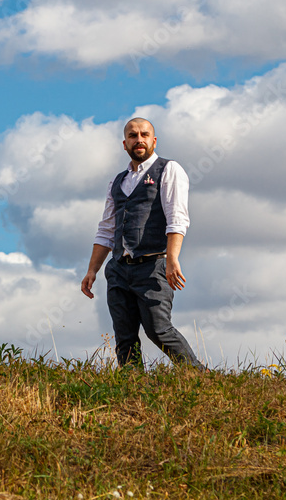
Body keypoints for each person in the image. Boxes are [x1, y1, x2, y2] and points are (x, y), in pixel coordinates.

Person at [80, 117, 204, 370]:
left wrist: (171, 260)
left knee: (158, 330)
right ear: (124, 143)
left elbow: (177, 219)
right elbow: (106, 228)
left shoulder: (168, 169)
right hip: (118, 268)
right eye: (133, 136)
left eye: (144, 135)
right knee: (124, 338)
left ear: (153, 140)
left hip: (153, 265)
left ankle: (200, 377)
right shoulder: (117, 181)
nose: (139, 140)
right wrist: (92, 269)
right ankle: (133, 389)